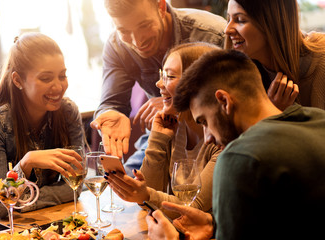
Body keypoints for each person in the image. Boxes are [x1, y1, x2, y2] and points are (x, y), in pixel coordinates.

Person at [146, 49, 325, 240]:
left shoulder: (240, 157)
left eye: (204, 121)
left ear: (224, 101)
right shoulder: (319, 120)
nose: (208, 138)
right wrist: (213, 226)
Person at [90, 0, 226, 175]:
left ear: (161, 7)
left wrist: (179, 103)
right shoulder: (118, 46)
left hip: (209, 140)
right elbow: (111, 104)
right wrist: (108, 114)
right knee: (121, 184)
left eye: (144, 25)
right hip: (161, 135)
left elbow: (237, 102)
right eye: (124, 31)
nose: (136, 41)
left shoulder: (212, 35)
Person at [0, 32, 86, 219]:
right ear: (17, 80)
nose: (58, 86)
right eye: (46, 78)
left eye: (62, 75)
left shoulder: (68, 112)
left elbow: (74, 189)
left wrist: (19, 203)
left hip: (44, 219)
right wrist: (26, 163)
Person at [104, 42, 221, 217]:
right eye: (161, 75)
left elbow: (193, 209)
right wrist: (158, 138)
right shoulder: (174, 126)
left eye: (170, 76)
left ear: (199, 84)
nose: (159, 84)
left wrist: (146, 195)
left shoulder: (222, 139)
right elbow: (148, 203)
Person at [225, 0, 325, 111]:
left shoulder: (321, 59)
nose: (227, 30)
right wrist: (273, 111)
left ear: (273, 23)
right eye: (229, 19)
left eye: (240, 20)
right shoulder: (241, 74)